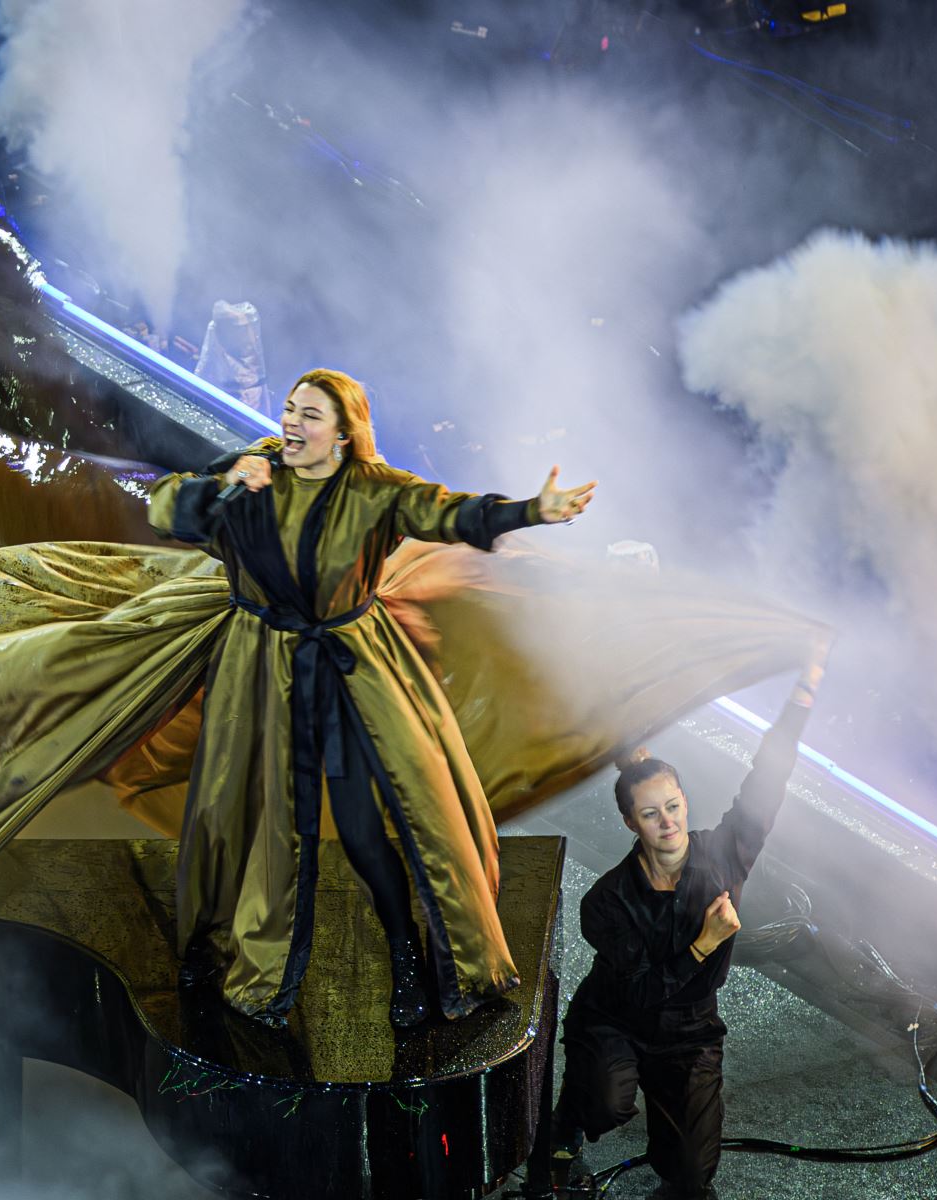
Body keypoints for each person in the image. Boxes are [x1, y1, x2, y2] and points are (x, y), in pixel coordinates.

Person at [147, 368, 596, 1028]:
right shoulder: (252, 467)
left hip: (344, 672)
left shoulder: (373, 490)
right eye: (289, 410)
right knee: (229, 813)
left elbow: (452, 512)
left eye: (310, 416)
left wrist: (531, 511)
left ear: (344, 434)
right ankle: (208, 946)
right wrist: (221, 488)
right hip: (260, 671)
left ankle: (405, 955)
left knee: (361, 828)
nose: (292, 425)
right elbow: (164, 508)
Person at [549, 637, 831, 1199]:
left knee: (691, 1176)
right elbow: (639, 995)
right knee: (609, 1104)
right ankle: (565, 1122)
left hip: (689, 1032)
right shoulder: (605, 902)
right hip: (616, 1021)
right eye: (650, 814)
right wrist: (704, 945)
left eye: (673, 806)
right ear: (631, 823)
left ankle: (668, 1127)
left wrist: (805, 688)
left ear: (685, 801)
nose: (667, 822)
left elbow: (767, 778)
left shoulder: (724, 853)